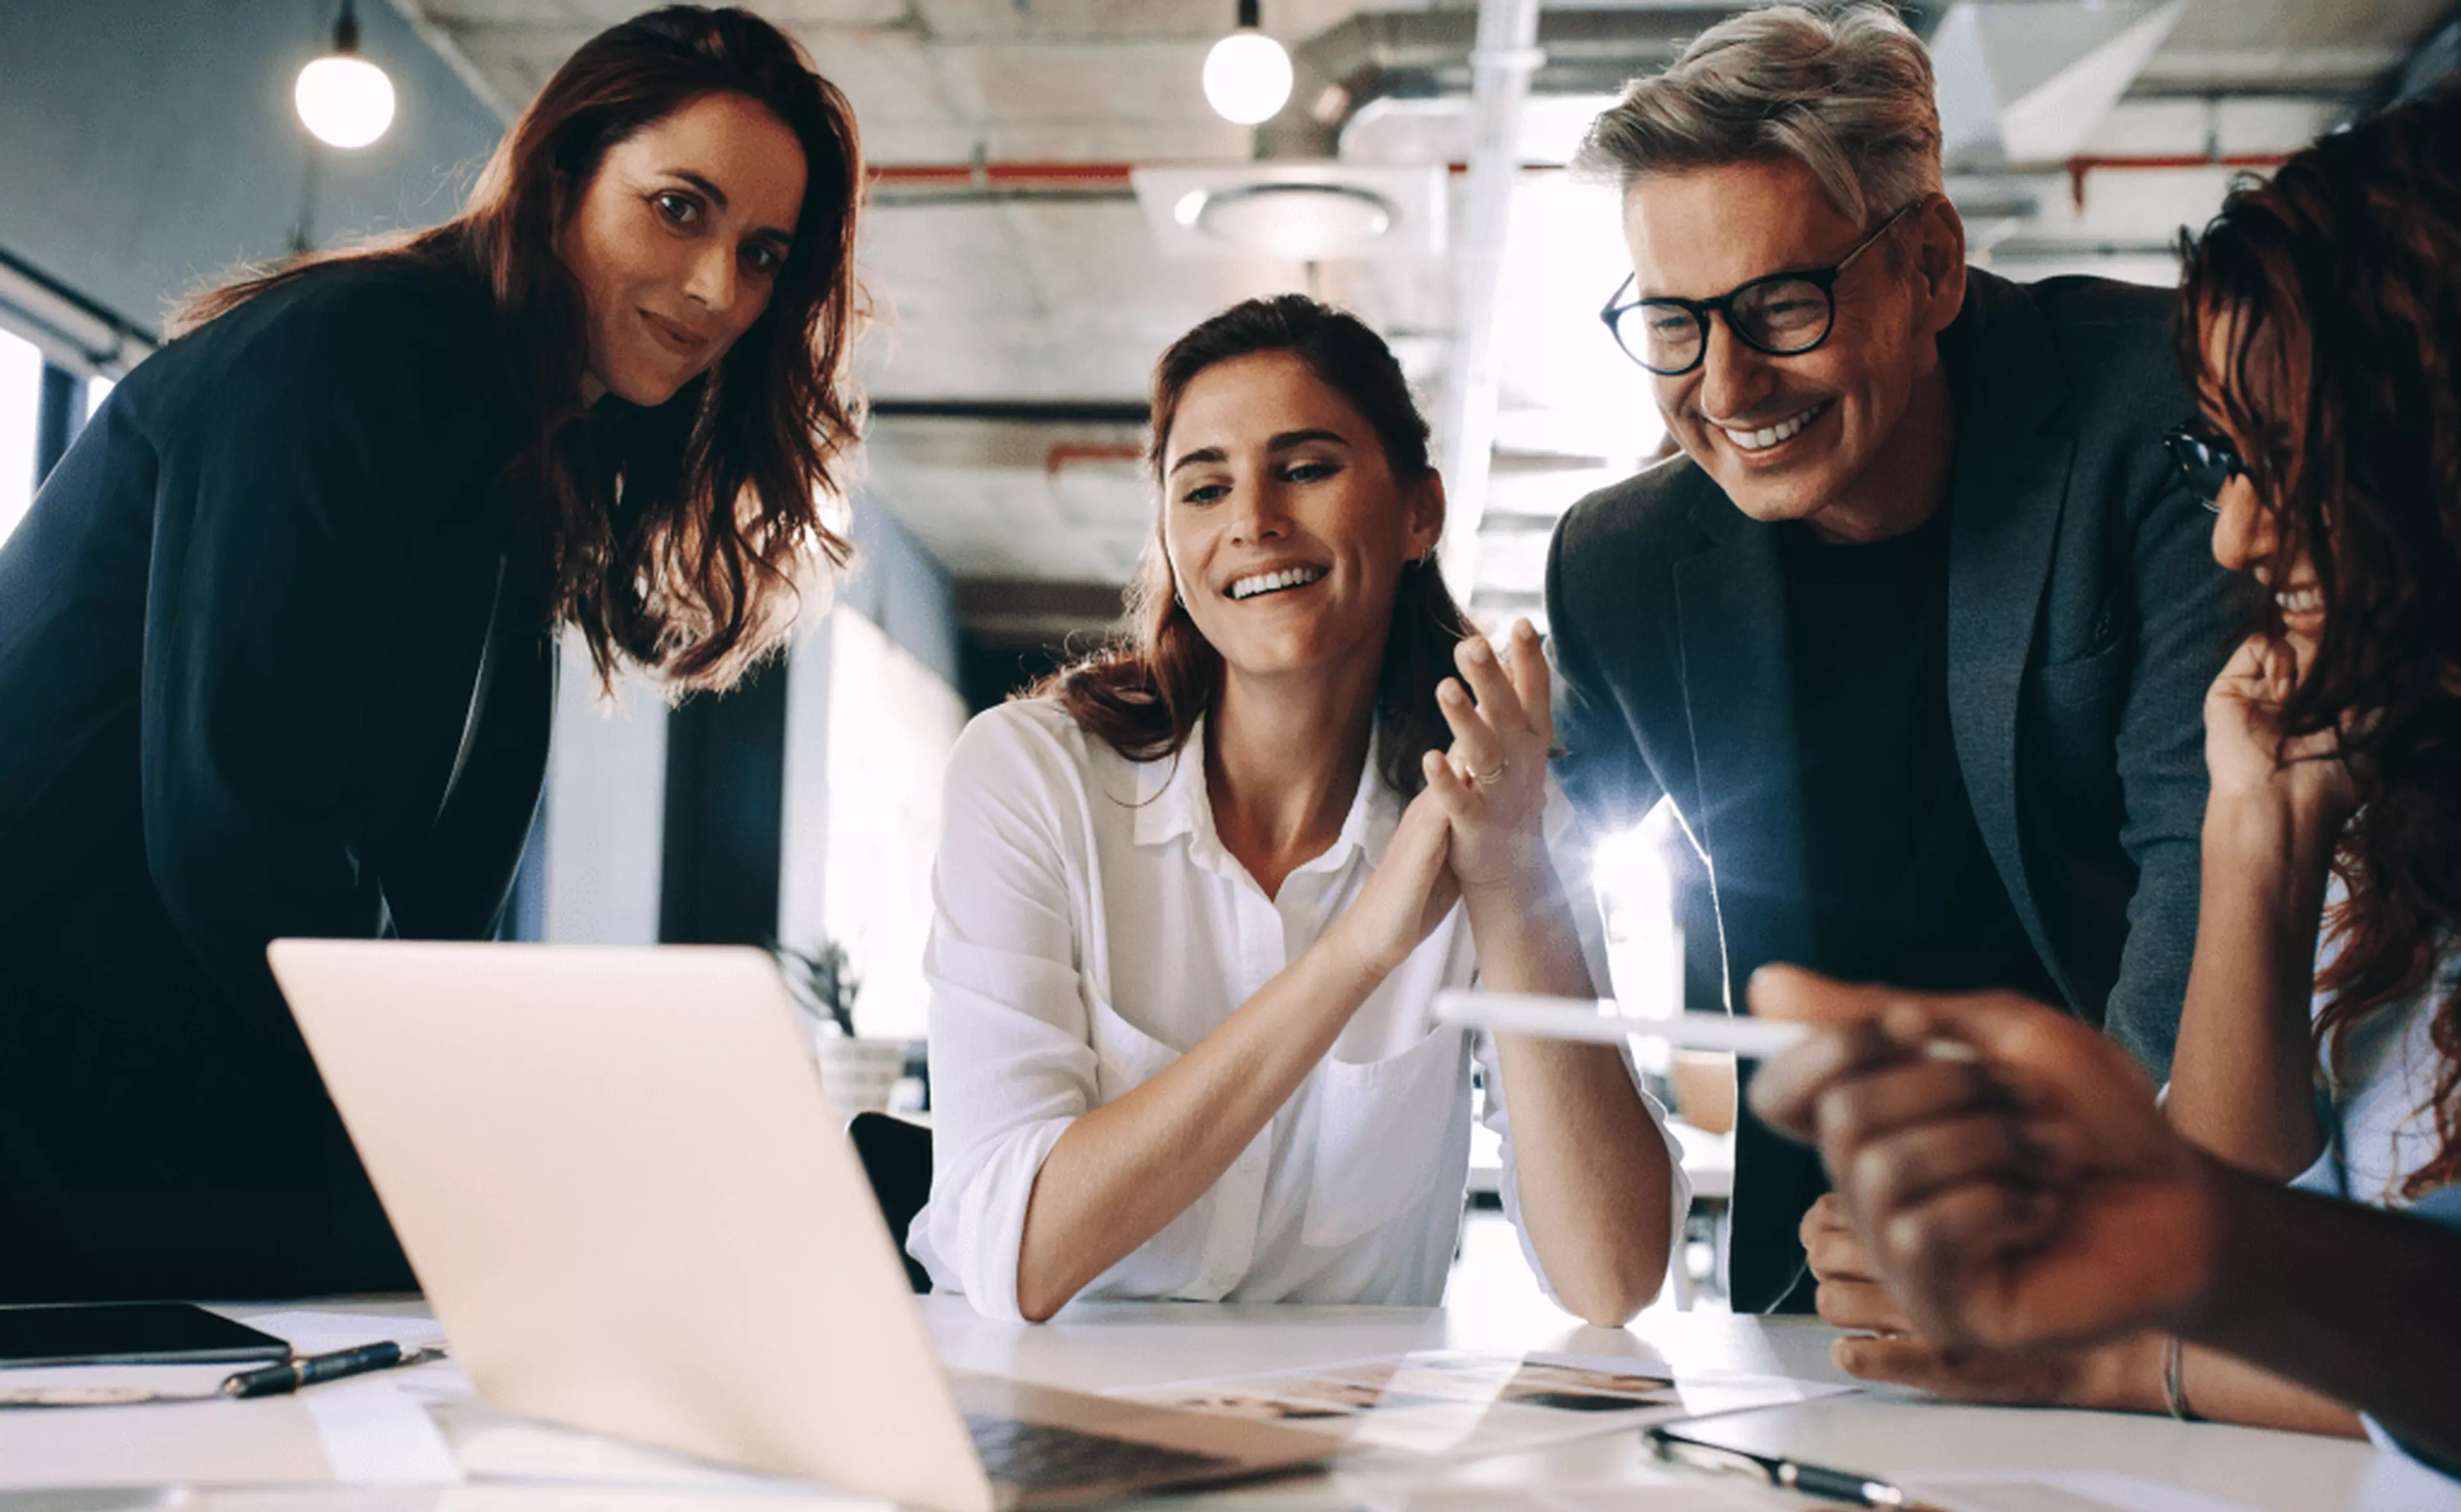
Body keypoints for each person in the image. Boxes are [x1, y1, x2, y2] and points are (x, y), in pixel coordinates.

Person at [0, 6, 865, 1301]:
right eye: (677, 207)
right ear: (564, 173)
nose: (715, 292)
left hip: (146, 1091)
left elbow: (425, 880)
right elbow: (243, 824)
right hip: (60, 1092)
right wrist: (458, 1124)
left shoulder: (523, 451)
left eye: (760, 255)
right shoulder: (364, 358)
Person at [1757, 90, 2461, 1476]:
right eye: (2227, 459)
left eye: (2290, 460)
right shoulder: (2380, 806)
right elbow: (2267, 1234)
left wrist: (2114, 1342)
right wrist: (2257, 838)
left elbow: (2249, 1270)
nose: (2243, 533)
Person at [1546, 3, 2232, 1313]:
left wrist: (2081, 1230)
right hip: (1818, 1273)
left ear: (1931, 264)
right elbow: (1522, 876)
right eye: (1675, 321)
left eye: (1782, 305)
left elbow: (2204, 873)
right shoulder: (1618, 566)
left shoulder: (2154, 410)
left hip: (2134, 1231)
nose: (1729, 385)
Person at [909, 296, 1684, 1324]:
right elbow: (1020, 1254)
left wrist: (1509, 878)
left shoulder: (1503, 813)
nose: (1253, 520)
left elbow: (1614, 1277)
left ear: (1420, 512)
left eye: (1307, 468)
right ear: (1172, 542)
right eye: (1204, 487)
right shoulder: (1032, 777)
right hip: (1044, 1414)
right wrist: (1355, 955)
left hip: (1340, 1447)